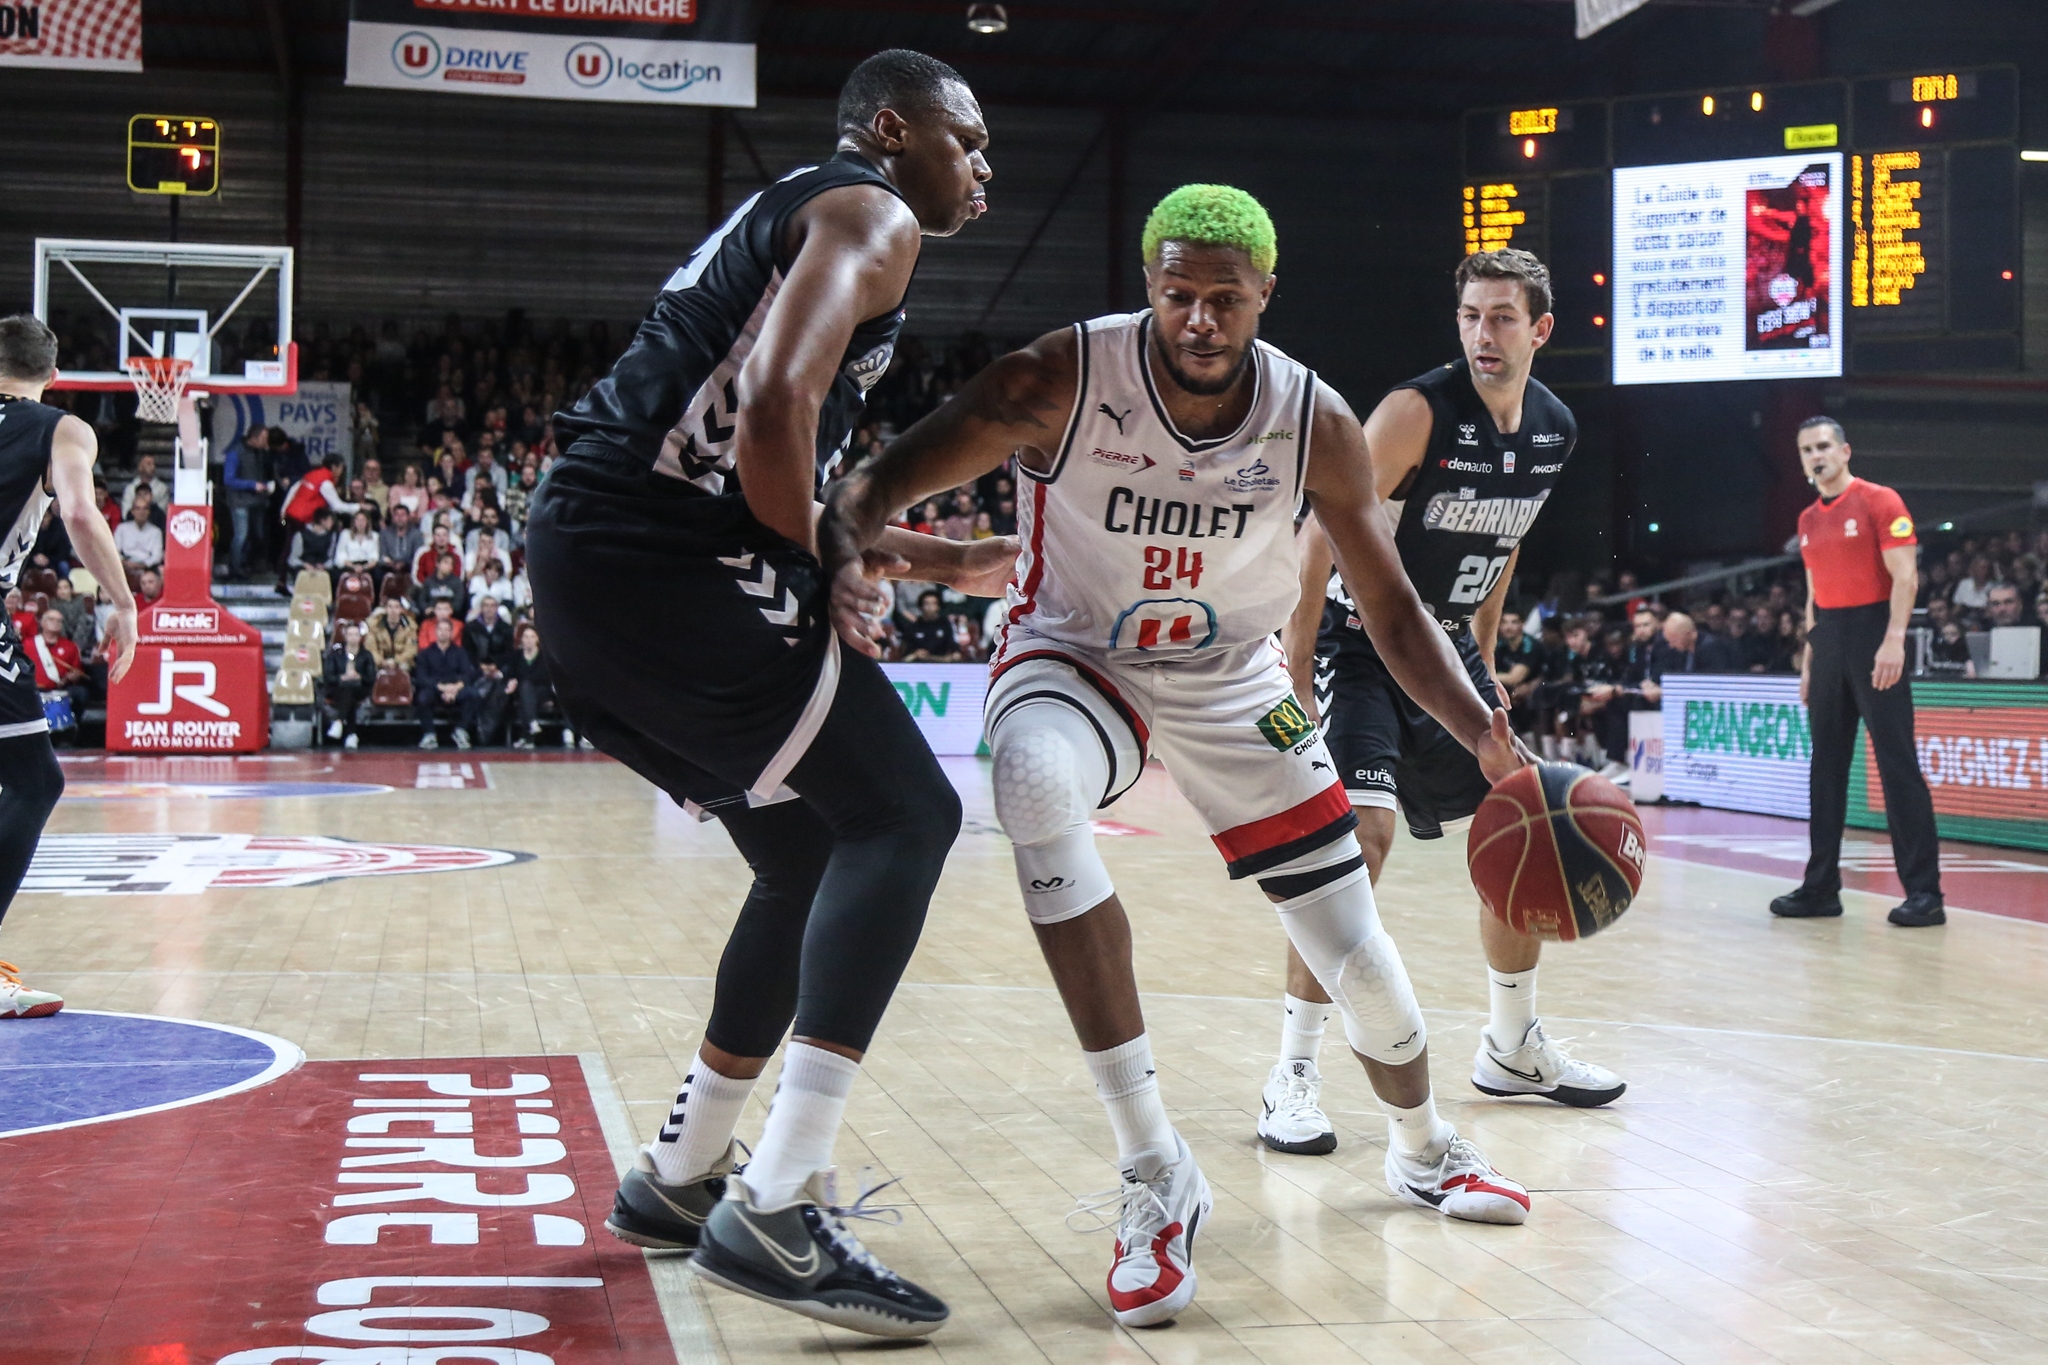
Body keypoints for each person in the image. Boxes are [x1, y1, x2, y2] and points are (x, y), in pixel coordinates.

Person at [822, 185, 1538, 1332]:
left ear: (1264, 295)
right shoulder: (1056, 377)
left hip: (1231, 678)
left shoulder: (1316, 419)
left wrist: (1483, 734)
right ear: (1149, 288)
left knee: (1351, 949)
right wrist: (855, 546)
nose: (1198, 319)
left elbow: (1392, 605)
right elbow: (877, 481)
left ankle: (1423, 1147)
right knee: (1034, 785)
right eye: (1176, 296)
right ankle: (1154, 1171)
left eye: (1222, 298)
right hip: (1072, 654)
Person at [527, 49, 1001, 1337]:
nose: (982, 169)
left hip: (592, 564)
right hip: (651, 557)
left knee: (801, 852)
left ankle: (682, 1179)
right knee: (906, 814)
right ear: (892, 129)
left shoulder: (804, 213)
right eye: (967, 141)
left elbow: (767, 435)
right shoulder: (871, 211)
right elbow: (777, 408)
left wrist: (919, 552)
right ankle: (780, 1204)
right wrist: (819, 564)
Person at [1275, 247, 1620, 1161]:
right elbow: (1318, 535)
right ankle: (1293, 1074)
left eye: (1503, 317)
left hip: (1447, 647)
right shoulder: (1416, 413)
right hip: (1357, 639)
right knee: (1361, 840)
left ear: (1541, 329)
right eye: (1470, 315)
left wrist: (1487, 657)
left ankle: (1512, 1047)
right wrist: (1299, 666)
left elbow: (1500, 549)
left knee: (1525, 817)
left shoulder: (1553, 428)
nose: (1483, 334)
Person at [0, 314, 139, 1016]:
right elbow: (82, 514)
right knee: (33, 779)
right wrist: (122, 601)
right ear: (54, 375)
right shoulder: (61, 429)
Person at [1771, 417, 1945, 927]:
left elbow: (1906, 578)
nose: (1815, 456)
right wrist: (1809, 660)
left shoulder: (1879, 500)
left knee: (1896, 765)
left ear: (1845, 450)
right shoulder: (1806, 519)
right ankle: (1821, 887)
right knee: (1825, 768)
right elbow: (1812, 595)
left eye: (1823, 446)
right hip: (1828, 640)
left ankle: (1925, 894)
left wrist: (1894, 640)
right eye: (1806, 450)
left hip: (1874, 634)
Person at [413, 615, 480, 749]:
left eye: (446, 630)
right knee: (422, 697)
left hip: (456, 689)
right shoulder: (425, 654)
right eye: (440, 629)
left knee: (473, 694)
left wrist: (456, 688)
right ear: (435, 632)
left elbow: (468, 674)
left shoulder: (460, 652)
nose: (443, 633)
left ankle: (461, 731)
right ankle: (429, 734)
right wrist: (442, 688)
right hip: (435, 689)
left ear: (451, 632)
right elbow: (421, 677)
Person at [222, 424, 275, 577]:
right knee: (241, 535)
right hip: (240, 501)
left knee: (256, 534)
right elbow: (228, 479)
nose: (266, 441)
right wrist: (252, 485)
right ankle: (235, 567)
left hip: (257, 501)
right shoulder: (236, 453)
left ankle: (248, 563)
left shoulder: (261, 453)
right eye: (264, 438)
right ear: (254, 437)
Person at [29, 606, 88, 736]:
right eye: (51, 619)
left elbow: (77, 670)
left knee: (81, 693)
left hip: (62, 687)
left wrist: (71, 677)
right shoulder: (28, 644)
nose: (55, 622)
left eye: (59, 621)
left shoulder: (70, 646)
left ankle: (71, 728)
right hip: (34, 688)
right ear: (43, 623)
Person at [504, 620, 561, 747]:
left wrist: (520, 680)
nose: (528, 640)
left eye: (532, 637)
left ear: (537, 639)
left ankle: (527, 734)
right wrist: (512, 681)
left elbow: (544, 676)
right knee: (525, 691)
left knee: (526, 686)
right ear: (521, 639)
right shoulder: (517, 656)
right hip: (522, 692)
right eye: (525, 637)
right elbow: (510, 673)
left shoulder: (543, 656)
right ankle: (531, 727)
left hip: (542, 691)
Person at [323, 619, 375, 749]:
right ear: (345, 636)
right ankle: (351, 734)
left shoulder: (366, 655)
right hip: (338, 688)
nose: (353, 638)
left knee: (350, 689)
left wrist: (359, 677)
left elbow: (371, 677)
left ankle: (339, 722)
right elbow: (328, 676)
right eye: (350, 634)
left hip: (360, 688)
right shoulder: (335, 654)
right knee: (347, 691)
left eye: (356, 635)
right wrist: (342, 677)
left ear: (360, 637)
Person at [898, 588, 959, 660]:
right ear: (921, 606)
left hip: (942, 663)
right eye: (927, 604)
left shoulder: (945, 624)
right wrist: (915, 654)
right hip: (919, 664)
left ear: (938, 606)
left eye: (933, 604)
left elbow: (954, 648)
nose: (930, 607)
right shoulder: (913, 627)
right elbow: (905, 655)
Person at [114, 488, 165, 570]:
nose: (141, 512)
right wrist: (124, 563)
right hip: (125, 566)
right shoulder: (122, 528)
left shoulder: (156, 531)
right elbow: (115, 551)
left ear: (149, 512)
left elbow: (157, 556)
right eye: (138, 508)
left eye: (145, 509)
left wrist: (143, 565)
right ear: (132, 511)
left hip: (147, 567)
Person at [366, 596, 419, 673]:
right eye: (390, 607)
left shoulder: (410, 626)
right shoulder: (374, 625)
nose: (393, 610)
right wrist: (381, 662)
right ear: (386, 609)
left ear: (401, 609)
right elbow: (370, 648)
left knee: (404, 667)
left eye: (396, 607)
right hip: (380, 662)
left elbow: (411, 650)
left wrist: (396, 661)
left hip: (401, 661)